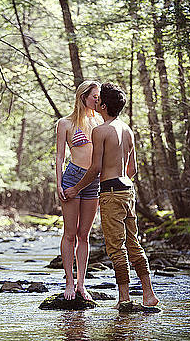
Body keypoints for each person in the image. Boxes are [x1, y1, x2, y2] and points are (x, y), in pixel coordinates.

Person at [64, 82, 159, 308]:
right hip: (128, 191)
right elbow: (133, 170)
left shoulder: (100, 131)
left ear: (104, 106)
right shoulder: (127, 129)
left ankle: (124, 298)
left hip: (111, 193)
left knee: (116, 247)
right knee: (133, 243)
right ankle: (149, 294)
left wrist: (76, 189)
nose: (95, 102)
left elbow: (95, 168)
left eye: (99, 100)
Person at [55, 80, 101, 301]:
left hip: (94, 181)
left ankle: (82, 284)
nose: (98, 100)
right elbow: (59, 156)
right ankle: (69, 282)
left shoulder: (100, 121)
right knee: (70, 234)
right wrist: (58, 184)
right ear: (83, 97)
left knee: (84, 235)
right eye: (95, 96)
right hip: (72, 178)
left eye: (99, 97)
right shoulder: (64, 123)